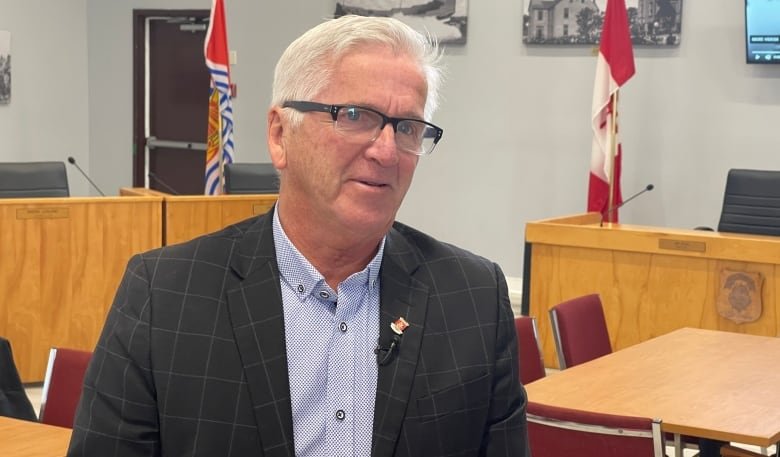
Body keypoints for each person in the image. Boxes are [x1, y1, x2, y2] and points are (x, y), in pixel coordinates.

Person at [67, 15, 529, 457]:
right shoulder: (164, 295)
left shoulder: (472, 298)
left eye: (407, 127)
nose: (386, 150)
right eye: (354, 115)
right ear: (279, 135)